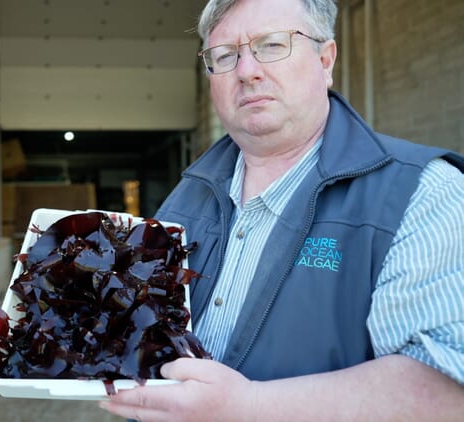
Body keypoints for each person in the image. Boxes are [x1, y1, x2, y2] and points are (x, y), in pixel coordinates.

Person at [99, 0, 464, 420]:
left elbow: (448, 393)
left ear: (325, 61)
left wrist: (248, 407)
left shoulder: (423, 192)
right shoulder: (185, 196)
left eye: (271, 45)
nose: (246, 70)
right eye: (224, 56)